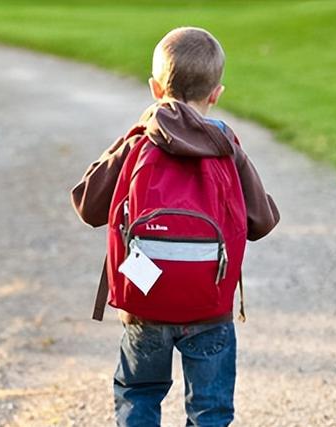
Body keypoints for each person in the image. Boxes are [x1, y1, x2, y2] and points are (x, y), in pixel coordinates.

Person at [71, 27, 279, 427]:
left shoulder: (139, 141)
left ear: (154, 88)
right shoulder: (227, 147)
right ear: (216, 93)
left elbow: (87, 204)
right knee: (209, 410)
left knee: (139, 395)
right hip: (209, 304)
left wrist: (128, 140)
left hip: (145, 300)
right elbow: (261, 222)